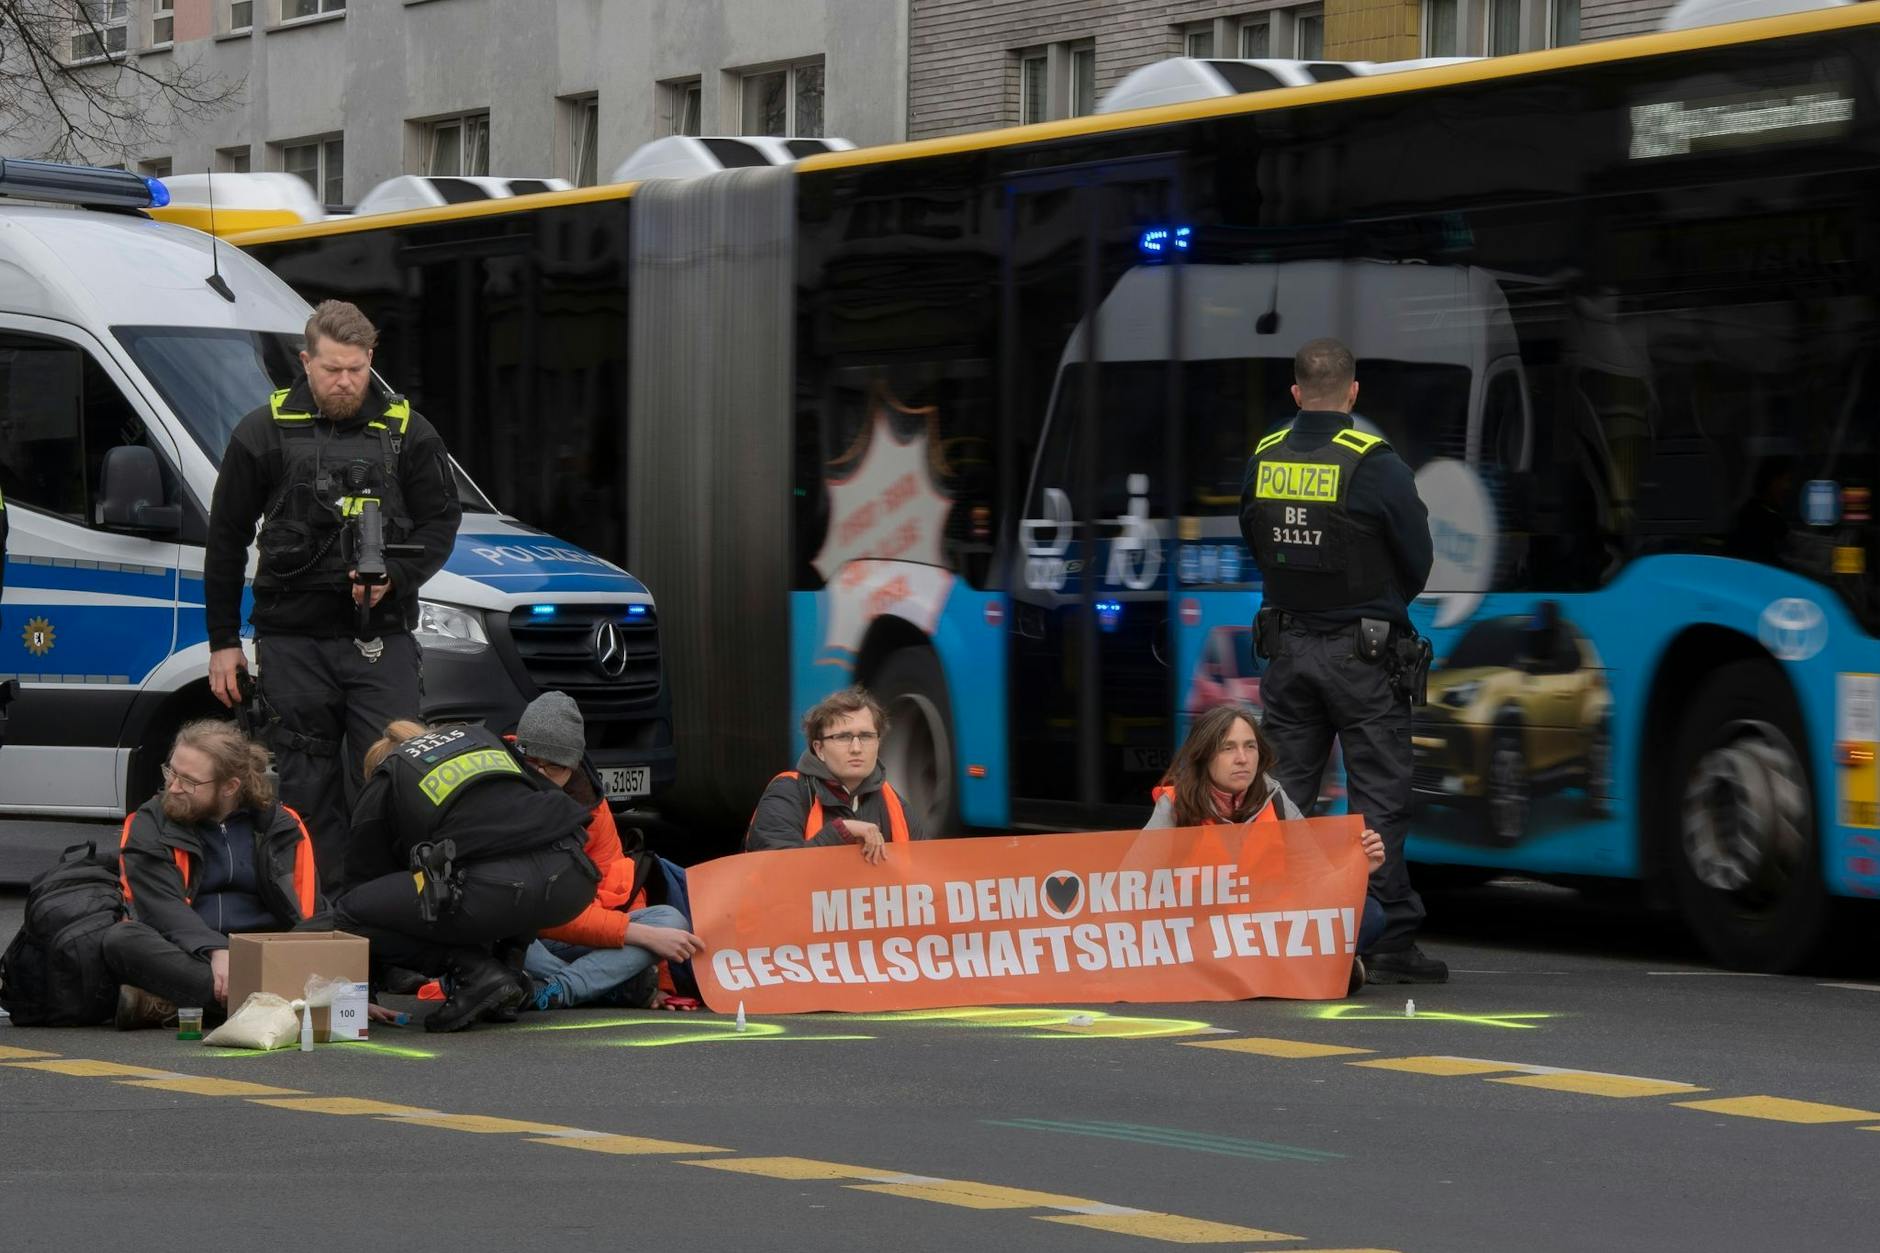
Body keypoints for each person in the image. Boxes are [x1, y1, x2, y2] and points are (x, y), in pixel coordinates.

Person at [203, 300, 463, 892]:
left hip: (380, 639)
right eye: (331, 369)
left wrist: (396, 577)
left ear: (371, 358)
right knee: (303, 787)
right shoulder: (263, 431)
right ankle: (316, 914)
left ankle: (384, 910)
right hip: (293, 642)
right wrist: (223, 641)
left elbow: (439, 526)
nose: (345, 381)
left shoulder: (407, 432)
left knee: (393, 778)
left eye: (355, 369)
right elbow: (225, 540)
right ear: (305, 361)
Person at [1238, 337, 1443, 984]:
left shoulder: (1265, 456)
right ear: (1353, 392)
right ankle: (1385, 936)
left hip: (1287, 648)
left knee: (1284, 795)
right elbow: (1418, 559)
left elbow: (1255, 539)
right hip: (1365, 656)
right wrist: (1373, 605)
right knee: (1378, 797)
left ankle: (1278, 930)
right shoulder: (1374, 463)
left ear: (1296, 392)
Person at [329, 718, 599, 1032]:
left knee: (349, 913)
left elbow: (364, 889)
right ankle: (509, 976)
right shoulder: (483, 740)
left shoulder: (388, 775)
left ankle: (477, 973)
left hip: (499, 888)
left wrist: (360, 994)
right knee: (496, 872)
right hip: (573, 878)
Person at [1145, 703, 1385, 989]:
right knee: (1195, 940)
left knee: (1369, 913)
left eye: (1250, 747)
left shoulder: (1276, 799)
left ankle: (1260, 972)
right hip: (1204, 929)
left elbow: (1315, 876)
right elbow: (1135, 884)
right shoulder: (1174, 805)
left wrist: (1358, 870)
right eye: (1228, 748)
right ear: (1204, 755)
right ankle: (1310, 969)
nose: (1242, 759)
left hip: (1270, 926)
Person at [105, 720, 320, 1029]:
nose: (173, 787)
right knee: (121, 939)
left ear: (229, 787)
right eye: (171, 772)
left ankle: (179, 1004)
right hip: (189, 953)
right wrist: (214, 948)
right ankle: (278, 1004)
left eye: (189, 781)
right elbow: (161, 907)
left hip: (264, 954)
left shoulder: (282, 825)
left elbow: (309, 910)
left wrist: (339, 978)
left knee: (343, 927)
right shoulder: (149, 821)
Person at [507, 691, 703, 1011]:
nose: (540, 775)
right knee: (505, 939)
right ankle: (607, 988)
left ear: (572, 766)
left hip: (587, 931)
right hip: (528, 935)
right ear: (519, 753)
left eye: (553, 767)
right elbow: (533, 911)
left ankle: (560, 989)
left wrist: (660, 981)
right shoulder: (498, 787)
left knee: (669, 921)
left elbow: (624, 890)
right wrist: (637, 936)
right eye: (532, 763)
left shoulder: (593, 807)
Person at [746, 687, 925, 859]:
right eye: (843, 737)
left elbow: (926, 867)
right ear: (819, 749)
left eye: (866, 736)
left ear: (878, 743)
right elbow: (775, 868)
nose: (856, 748)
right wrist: (842, 831)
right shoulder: (789, 792)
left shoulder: (893, 801)